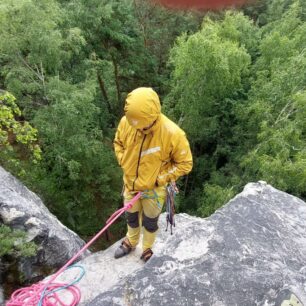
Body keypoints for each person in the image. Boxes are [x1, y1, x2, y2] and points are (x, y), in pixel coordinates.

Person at [113, 87, 192, 262]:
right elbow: (118, 143)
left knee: (150, 221)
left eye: (143, 127)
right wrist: (123, 161)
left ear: (153, 117)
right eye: (136, 126)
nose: (139, 130)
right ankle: (131, 241)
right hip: (130, 184)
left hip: (154, 189)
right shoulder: (128, 122)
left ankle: (147, 248)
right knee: (131, 217)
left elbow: (185, 163)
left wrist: (160, 179)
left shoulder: (172, 134)